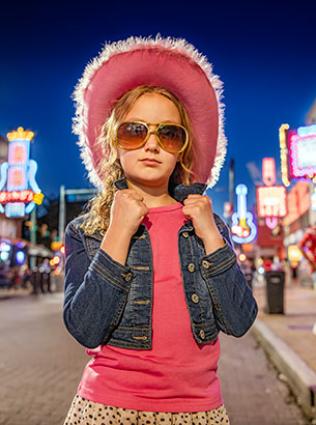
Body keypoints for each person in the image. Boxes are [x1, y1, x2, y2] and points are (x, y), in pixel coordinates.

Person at [62, 35, 258, 425]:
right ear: (113, 141)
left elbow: (239, 320)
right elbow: (85, 327)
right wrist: (118, 231)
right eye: (135, 131)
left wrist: (211, 235)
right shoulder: (86, 230)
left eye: (168, 133)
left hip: (198, 410)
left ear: (182, 148)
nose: (152, 144)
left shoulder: (207, 226)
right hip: (107, 407)